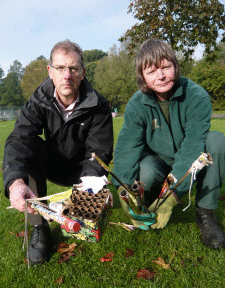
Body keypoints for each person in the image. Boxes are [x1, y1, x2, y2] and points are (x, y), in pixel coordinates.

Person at [3, 39, 113, 264]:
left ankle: (84, 209)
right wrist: (15, 181)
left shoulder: (99, 104)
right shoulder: (38, 100)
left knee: (83, 226)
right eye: (60, 68)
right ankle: (40, 228)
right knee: (30, 146)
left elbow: (99, 151)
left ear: (82, 72)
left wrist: (91, 186)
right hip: (51, 164)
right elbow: (19, 139)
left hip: (84, 171)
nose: (67, 75)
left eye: (73, 69)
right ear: (50, 71)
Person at [112, 38, 225, 249]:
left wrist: (173, 195)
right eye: (152, 71)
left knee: (217, 141)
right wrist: (123, 191)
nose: (161, 76)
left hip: (191, 159)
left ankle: (205, 212)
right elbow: (127, 147)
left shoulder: (197, 96)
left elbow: (193, 146)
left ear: (176, 66)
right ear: (142, 77)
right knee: (144, 171)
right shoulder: (137, 104)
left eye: (166, 67)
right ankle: (149, 204)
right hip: (157, 161)